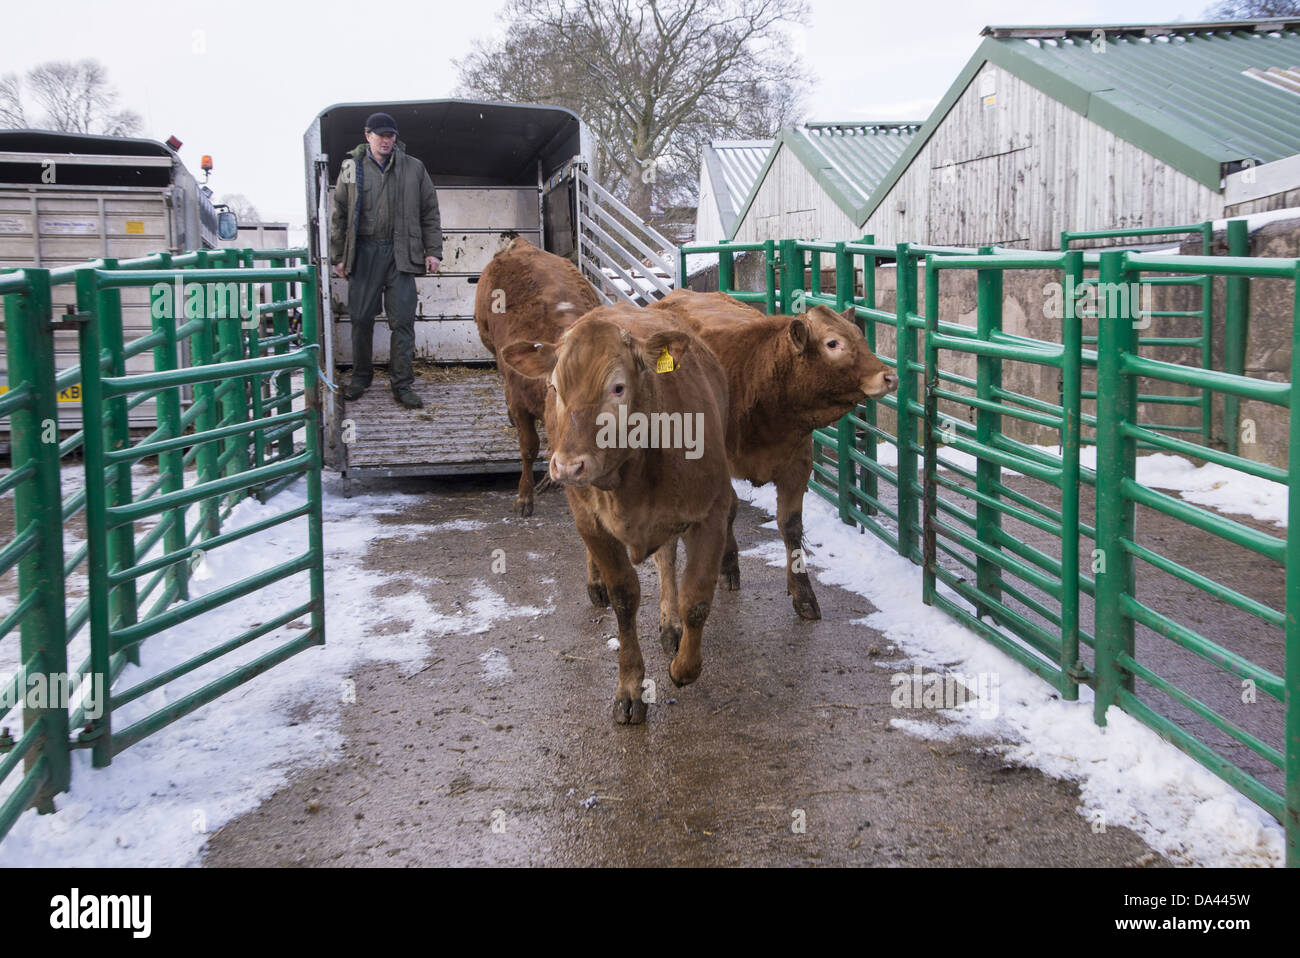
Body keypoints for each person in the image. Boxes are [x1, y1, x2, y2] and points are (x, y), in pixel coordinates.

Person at [329, 112, 442, 408]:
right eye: (380, 135)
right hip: (363, 252)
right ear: (368, 136)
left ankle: (402, 384)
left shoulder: (414, 168)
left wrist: (433, 250)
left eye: (390, 135)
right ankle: (361, 377)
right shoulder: (351, 168)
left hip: (400, 253)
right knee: (361, 319)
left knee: (403, 321)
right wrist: (338, 256)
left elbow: (429, 211)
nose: (386, 140)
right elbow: (339, 213)